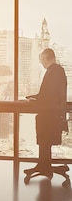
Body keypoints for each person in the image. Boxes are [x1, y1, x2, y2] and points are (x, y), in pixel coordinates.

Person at [25, 48, 68, 176]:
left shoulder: (54, 71)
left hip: (49, 115)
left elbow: (50, 95)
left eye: (41, 60)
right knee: (44, 142)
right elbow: (47, 93)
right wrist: (34, 97)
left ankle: (44, 166)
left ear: (45, 58)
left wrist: (36, 100)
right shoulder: (55, 70)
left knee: (45, 141)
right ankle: (43, 165)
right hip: (50, 114)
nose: (41, 63)